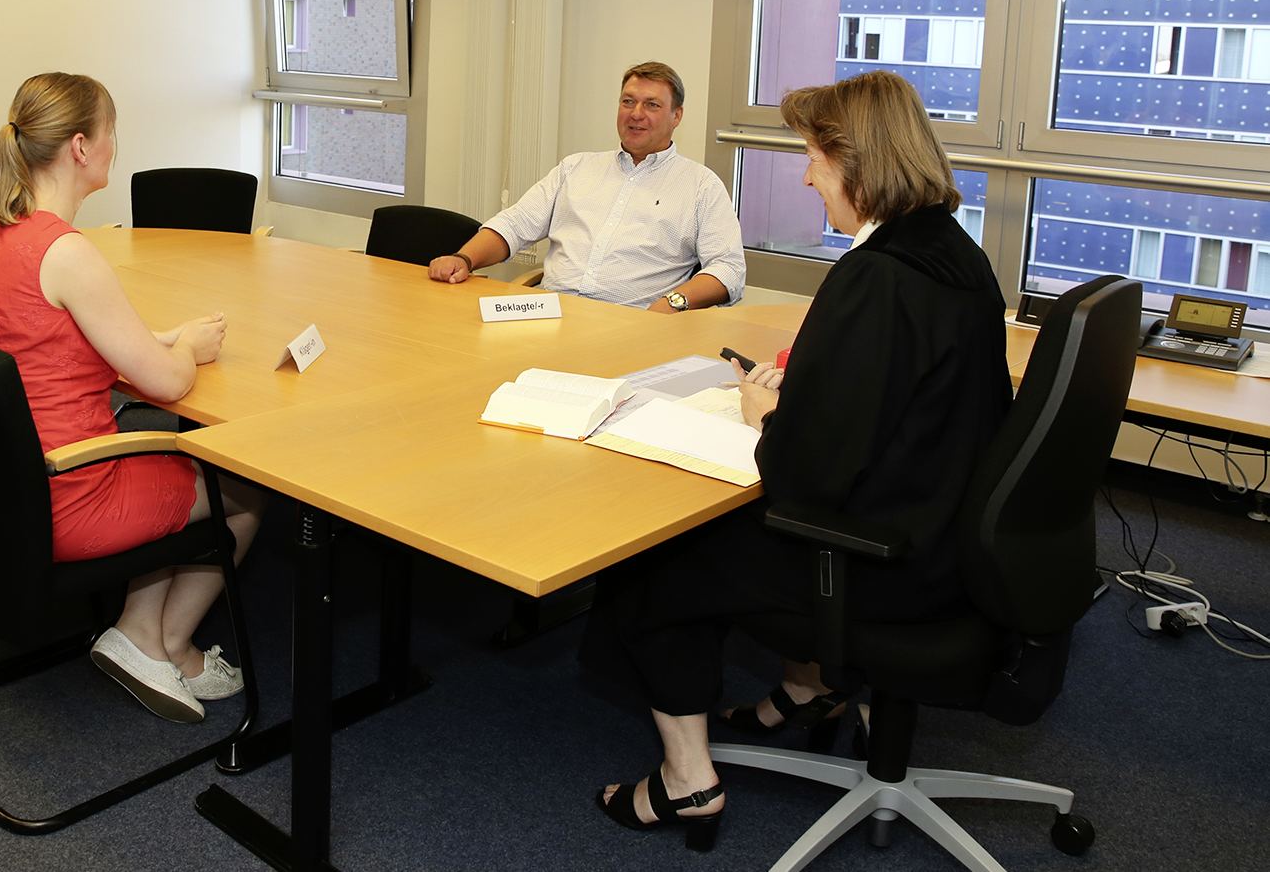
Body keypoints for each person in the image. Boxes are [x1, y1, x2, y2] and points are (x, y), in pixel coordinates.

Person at [584, 70, 1011, 850]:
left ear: (858, 161)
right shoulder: (952, 250)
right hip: (950, 533)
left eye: (815, 157)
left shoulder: (875, 278)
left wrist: (767, 413)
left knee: (654, 559)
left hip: (889, 563)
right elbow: (893, 409)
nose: (808, 175)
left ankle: (687, 783)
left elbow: (807, 477)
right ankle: (803, 691)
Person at [0, 72, 266, 724]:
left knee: (168, 460)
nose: (113, 143)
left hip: (5, 483)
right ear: (80, 146)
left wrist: (159, 338)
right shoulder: (69, 252)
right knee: (245, 493)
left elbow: (48, 339)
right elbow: (168, 384)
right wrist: (187, 346)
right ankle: (161, 640)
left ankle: (148, 637)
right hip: (74, 491)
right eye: (110, 131)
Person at [426, 62, 746, 311]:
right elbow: (515, 224)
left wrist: (671, 305)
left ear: (677, 116)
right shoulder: (577, 167)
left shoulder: (701, 186)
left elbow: (729, 268)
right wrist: (464, 259)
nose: (636, 114)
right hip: (549, 312)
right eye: (628, 101)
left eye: (652, 105)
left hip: (633, 321)